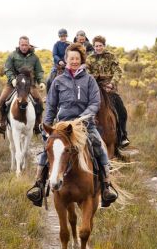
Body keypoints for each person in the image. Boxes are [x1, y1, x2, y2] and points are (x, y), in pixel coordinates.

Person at [27, 43, 118, 207]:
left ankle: (106, 185)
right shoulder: (58, 81)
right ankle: (38, 185)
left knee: (99, 146)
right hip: (62, 125)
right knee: (47, 148)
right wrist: (47, 125)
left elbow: (94, 103)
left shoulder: (89, 80)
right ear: (66, 60)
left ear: (81, 59)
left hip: (85, 125)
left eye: (77, 58)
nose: (74, 61)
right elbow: (52, 106)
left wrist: (82, 118)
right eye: (71, 58)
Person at [0, 36, 45, 134]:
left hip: (29, 84)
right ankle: (1, 122)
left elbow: (39, 71)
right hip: (13, 83)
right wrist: (12, 79)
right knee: (2, 100)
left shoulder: (34, 57)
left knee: (39, 101)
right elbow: (7, 69)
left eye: (26, 45)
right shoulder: (13, 56)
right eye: (22, 45)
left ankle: (38, 124)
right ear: (19, 45)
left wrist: (41, 81)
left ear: (29, 45)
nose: (24, 47)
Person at [86, 35, 130, 147]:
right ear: (94, 46)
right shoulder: (89, 59)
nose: (98, 48)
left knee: (122, 112)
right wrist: (93, 85)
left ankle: (122, 136)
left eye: (100, 46)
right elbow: (87, 74)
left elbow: (118, 71)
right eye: (96, 46)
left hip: (109, 89)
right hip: (95, 88)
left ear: (104, 46)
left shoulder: (111, 57)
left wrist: (112, 83)